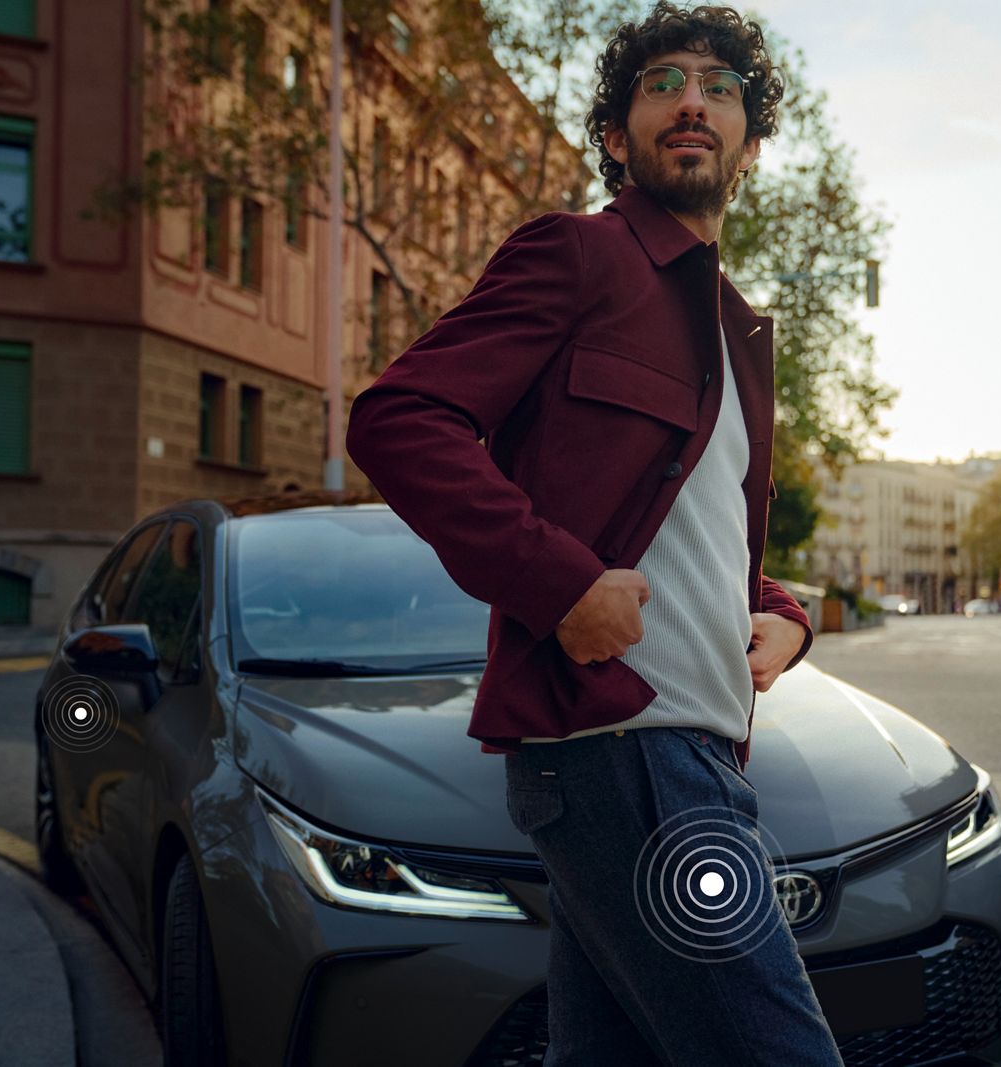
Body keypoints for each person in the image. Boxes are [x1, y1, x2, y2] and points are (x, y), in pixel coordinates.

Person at [346, 4, 844, 1064]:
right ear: (617, 137)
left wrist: (782, 614)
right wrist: (562, 584)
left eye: (719, 88)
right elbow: (399, 419)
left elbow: (695, 528)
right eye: (663, 84)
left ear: (751, 146)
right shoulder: (577, 254)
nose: (693, 102)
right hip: (627, 749)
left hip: (693, 752)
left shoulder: (737, 331)